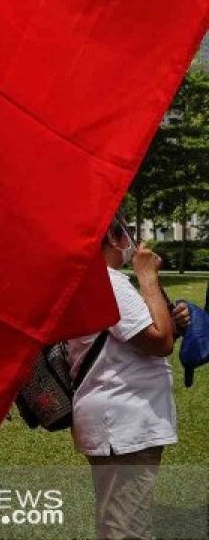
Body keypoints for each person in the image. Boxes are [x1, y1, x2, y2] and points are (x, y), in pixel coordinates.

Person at [67, 216, 182, 540]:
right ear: (114, 237)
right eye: (127, 231)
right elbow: (160, 341)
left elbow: (142, 332)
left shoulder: (92, 280)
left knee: (117, 524)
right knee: (126, 531)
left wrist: (172, 317)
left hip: (114, 419)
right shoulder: (109, 282)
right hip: (124, 420)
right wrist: (147, 278)